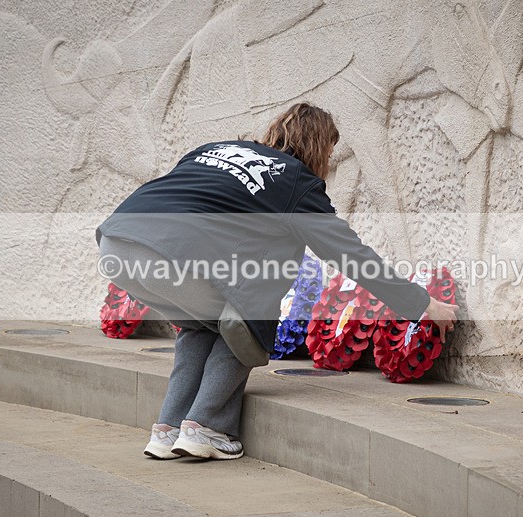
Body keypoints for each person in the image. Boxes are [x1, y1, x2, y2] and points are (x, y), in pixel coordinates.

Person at [95, 102, 459, 460]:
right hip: (171, 255)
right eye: (329, 153)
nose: (329, 165)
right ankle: (204, 427)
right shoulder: (295, 182)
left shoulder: (217, 149)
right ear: (318, 148)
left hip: (118, 243)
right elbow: (350, 255)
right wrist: (423, 305)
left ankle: (168, 428)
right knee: (248, 316)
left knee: (203, 324)